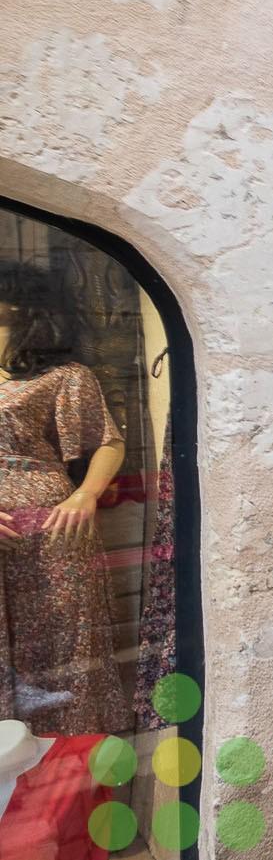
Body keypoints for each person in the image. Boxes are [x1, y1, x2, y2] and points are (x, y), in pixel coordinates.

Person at [0, 262, 129, 736]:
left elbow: (108, 441)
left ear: (18, 305)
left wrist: (85, 495)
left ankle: (72, 764)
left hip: (51, 528)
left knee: (62, 644)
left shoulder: (61, 376)